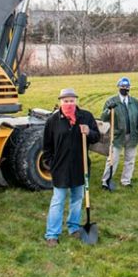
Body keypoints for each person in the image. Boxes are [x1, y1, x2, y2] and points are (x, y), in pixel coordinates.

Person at [43, 88, 100, 247]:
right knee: (58, 200)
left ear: (76, 101)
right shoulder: (53, 121)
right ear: (61, 102)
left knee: (77, 199)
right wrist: (52, 164)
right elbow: (46, 147)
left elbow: (97, 137)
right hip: (60, 168)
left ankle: (73, 228)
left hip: (80, 167)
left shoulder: (86, 117)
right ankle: (52, 234)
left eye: (72, 100)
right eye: (66, 101)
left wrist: (89, 132)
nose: (69, 103)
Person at [100, 77, 138, 189]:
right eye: (123, 87)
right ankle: (106, 181)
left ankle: (126, 181)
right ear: (119, 87)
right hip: (117, 137)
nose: (125, 89)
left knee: (130, 160)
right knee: (112, 159)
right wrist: (108, 110)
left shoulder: (134, 102)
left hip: (132, 136)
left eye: (127, 87)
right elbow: (103, 118)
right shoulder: (111, 101)